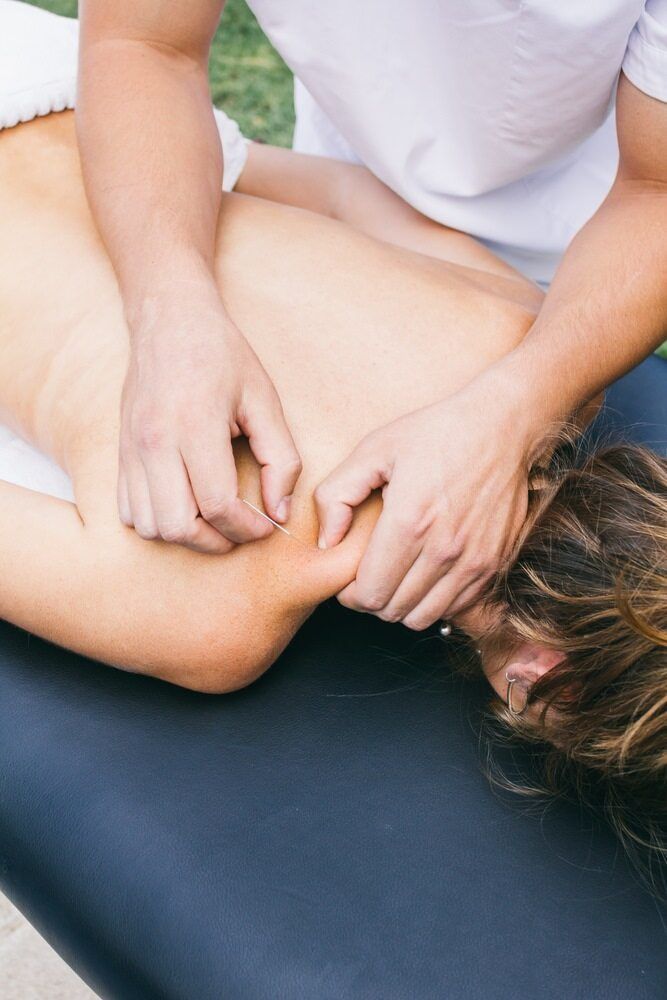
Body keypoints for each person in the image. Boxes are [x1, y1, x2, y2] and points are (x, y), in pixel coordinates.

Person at [0, 1, 664, 882]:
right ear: (535, 680)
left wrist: (206, 200)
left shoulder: (510, 314)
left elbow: (333, 191)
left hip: (43, 77)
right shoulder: (214, 619)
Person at [74, 0, 667, 632]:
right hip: (332, 192)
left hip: (587, 246)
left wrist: (518, 410)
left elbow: (655, 191)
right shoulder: (223, 625)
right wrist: (171, 314)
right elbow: (142, 46)